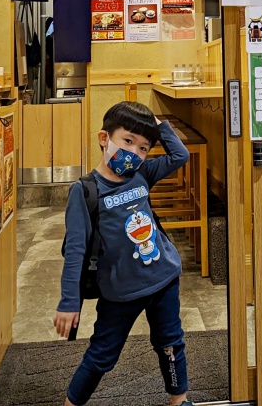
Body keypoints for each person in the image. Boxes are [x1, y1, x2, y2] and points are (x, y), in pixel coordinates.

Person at [54, 101, 195, 406]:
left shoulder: (142, 173)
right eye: (127, 141)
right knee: (102, 353)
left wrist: (157, 126)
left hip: (163, 278)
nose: (134, 153)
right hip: (119, 290)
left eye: (143, 148)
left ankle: (179, 400)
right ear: (104, 138)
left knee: (171, 344)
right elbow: (75, 251)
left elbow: (180, 155)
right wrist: (69, 302)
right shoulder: (85, 191)